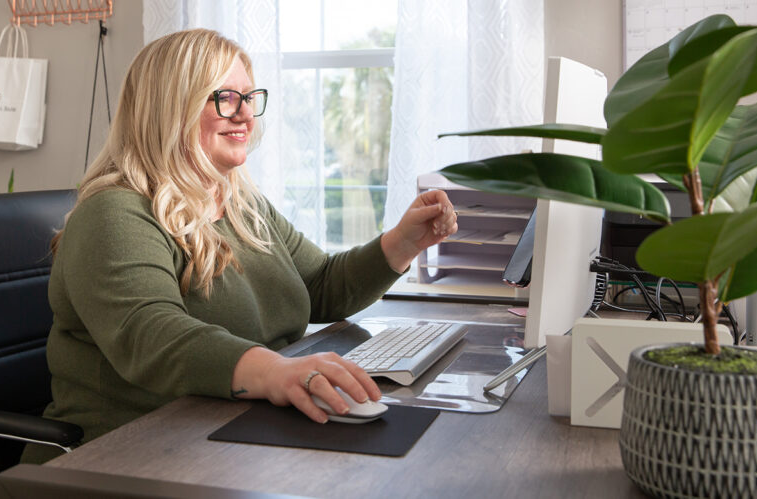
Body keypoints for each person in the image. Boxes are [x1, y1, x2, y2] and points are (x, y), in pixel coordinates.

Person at [23, 28, 457, 463]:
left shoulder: (242, 204)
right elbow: (153, 336)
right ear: (172, 107)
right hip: (125, 456)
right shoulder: (113, 213)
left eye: (249, 99)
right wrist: (277, 371)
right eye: (226, 98)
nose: (246, 115)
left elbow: (320, 285)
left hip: (228, 436)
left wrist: (402, 243)